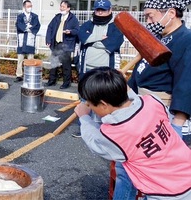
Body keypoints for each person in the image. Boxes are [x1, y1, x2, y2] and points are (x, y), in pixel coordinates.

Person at [114, 0, 191, 199]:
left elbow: (186, 82)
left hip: (162, 112)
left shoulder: (186, 39)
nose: (147, 20)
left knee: (153, 171)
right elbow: (140, 71)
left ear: (171, 13)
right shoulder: (156, 36)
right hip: (140, 106)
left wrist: (178, 122)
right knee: (127, 166)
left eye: (150, 15)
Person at [74, 67, 191, 200]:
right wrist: (125, 87)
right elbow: (136, 102)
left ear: (103, 105)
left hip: (167, 193)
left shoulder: (115, 134)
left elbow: (94, 142)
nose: (90, 108)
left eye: (90, 105)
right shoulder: (153, 101)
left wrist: (84, 117)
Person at [77, 0, 124, 81]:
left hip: (106, 71)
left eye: (103, 10)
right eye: (97, 10)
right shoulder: (88, 24)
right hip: (87, 68)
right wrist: (99, 38)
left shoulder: (116, 26)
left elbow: (115, 42)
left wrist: (90, 42)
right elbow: (81, 35)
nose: (100, 12)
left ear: (110, 10)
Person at [45, 0, 79, 89]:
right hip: (56, 43)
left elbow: (77, 30)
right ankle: (51, 81)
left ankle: (66, 83)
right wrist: (48, 40)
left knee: (66, 65)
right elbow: (50, 28)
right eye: (61, 6)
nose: (61, 8)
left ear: (68, 8)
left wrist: (70, 32)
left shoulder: (73, 18)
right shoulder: (57, 17)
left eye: (63, 7)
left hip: (66, 44)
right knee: (53, 63)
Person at [14, 0, 41, 82]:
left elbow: (37, 25)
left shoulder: (35, 16)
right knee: (20, 59)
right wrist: (26, 28)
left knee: (30, 59)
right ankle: (19, 75)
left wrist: (30, 29)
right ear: (24, 7)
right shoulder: (20, 16)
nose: (30, 8)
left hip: (30, 39)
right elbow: (18, 25)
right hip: (22, 39)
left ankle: (30, 74)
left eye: (30, 6)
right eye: (28, 6)